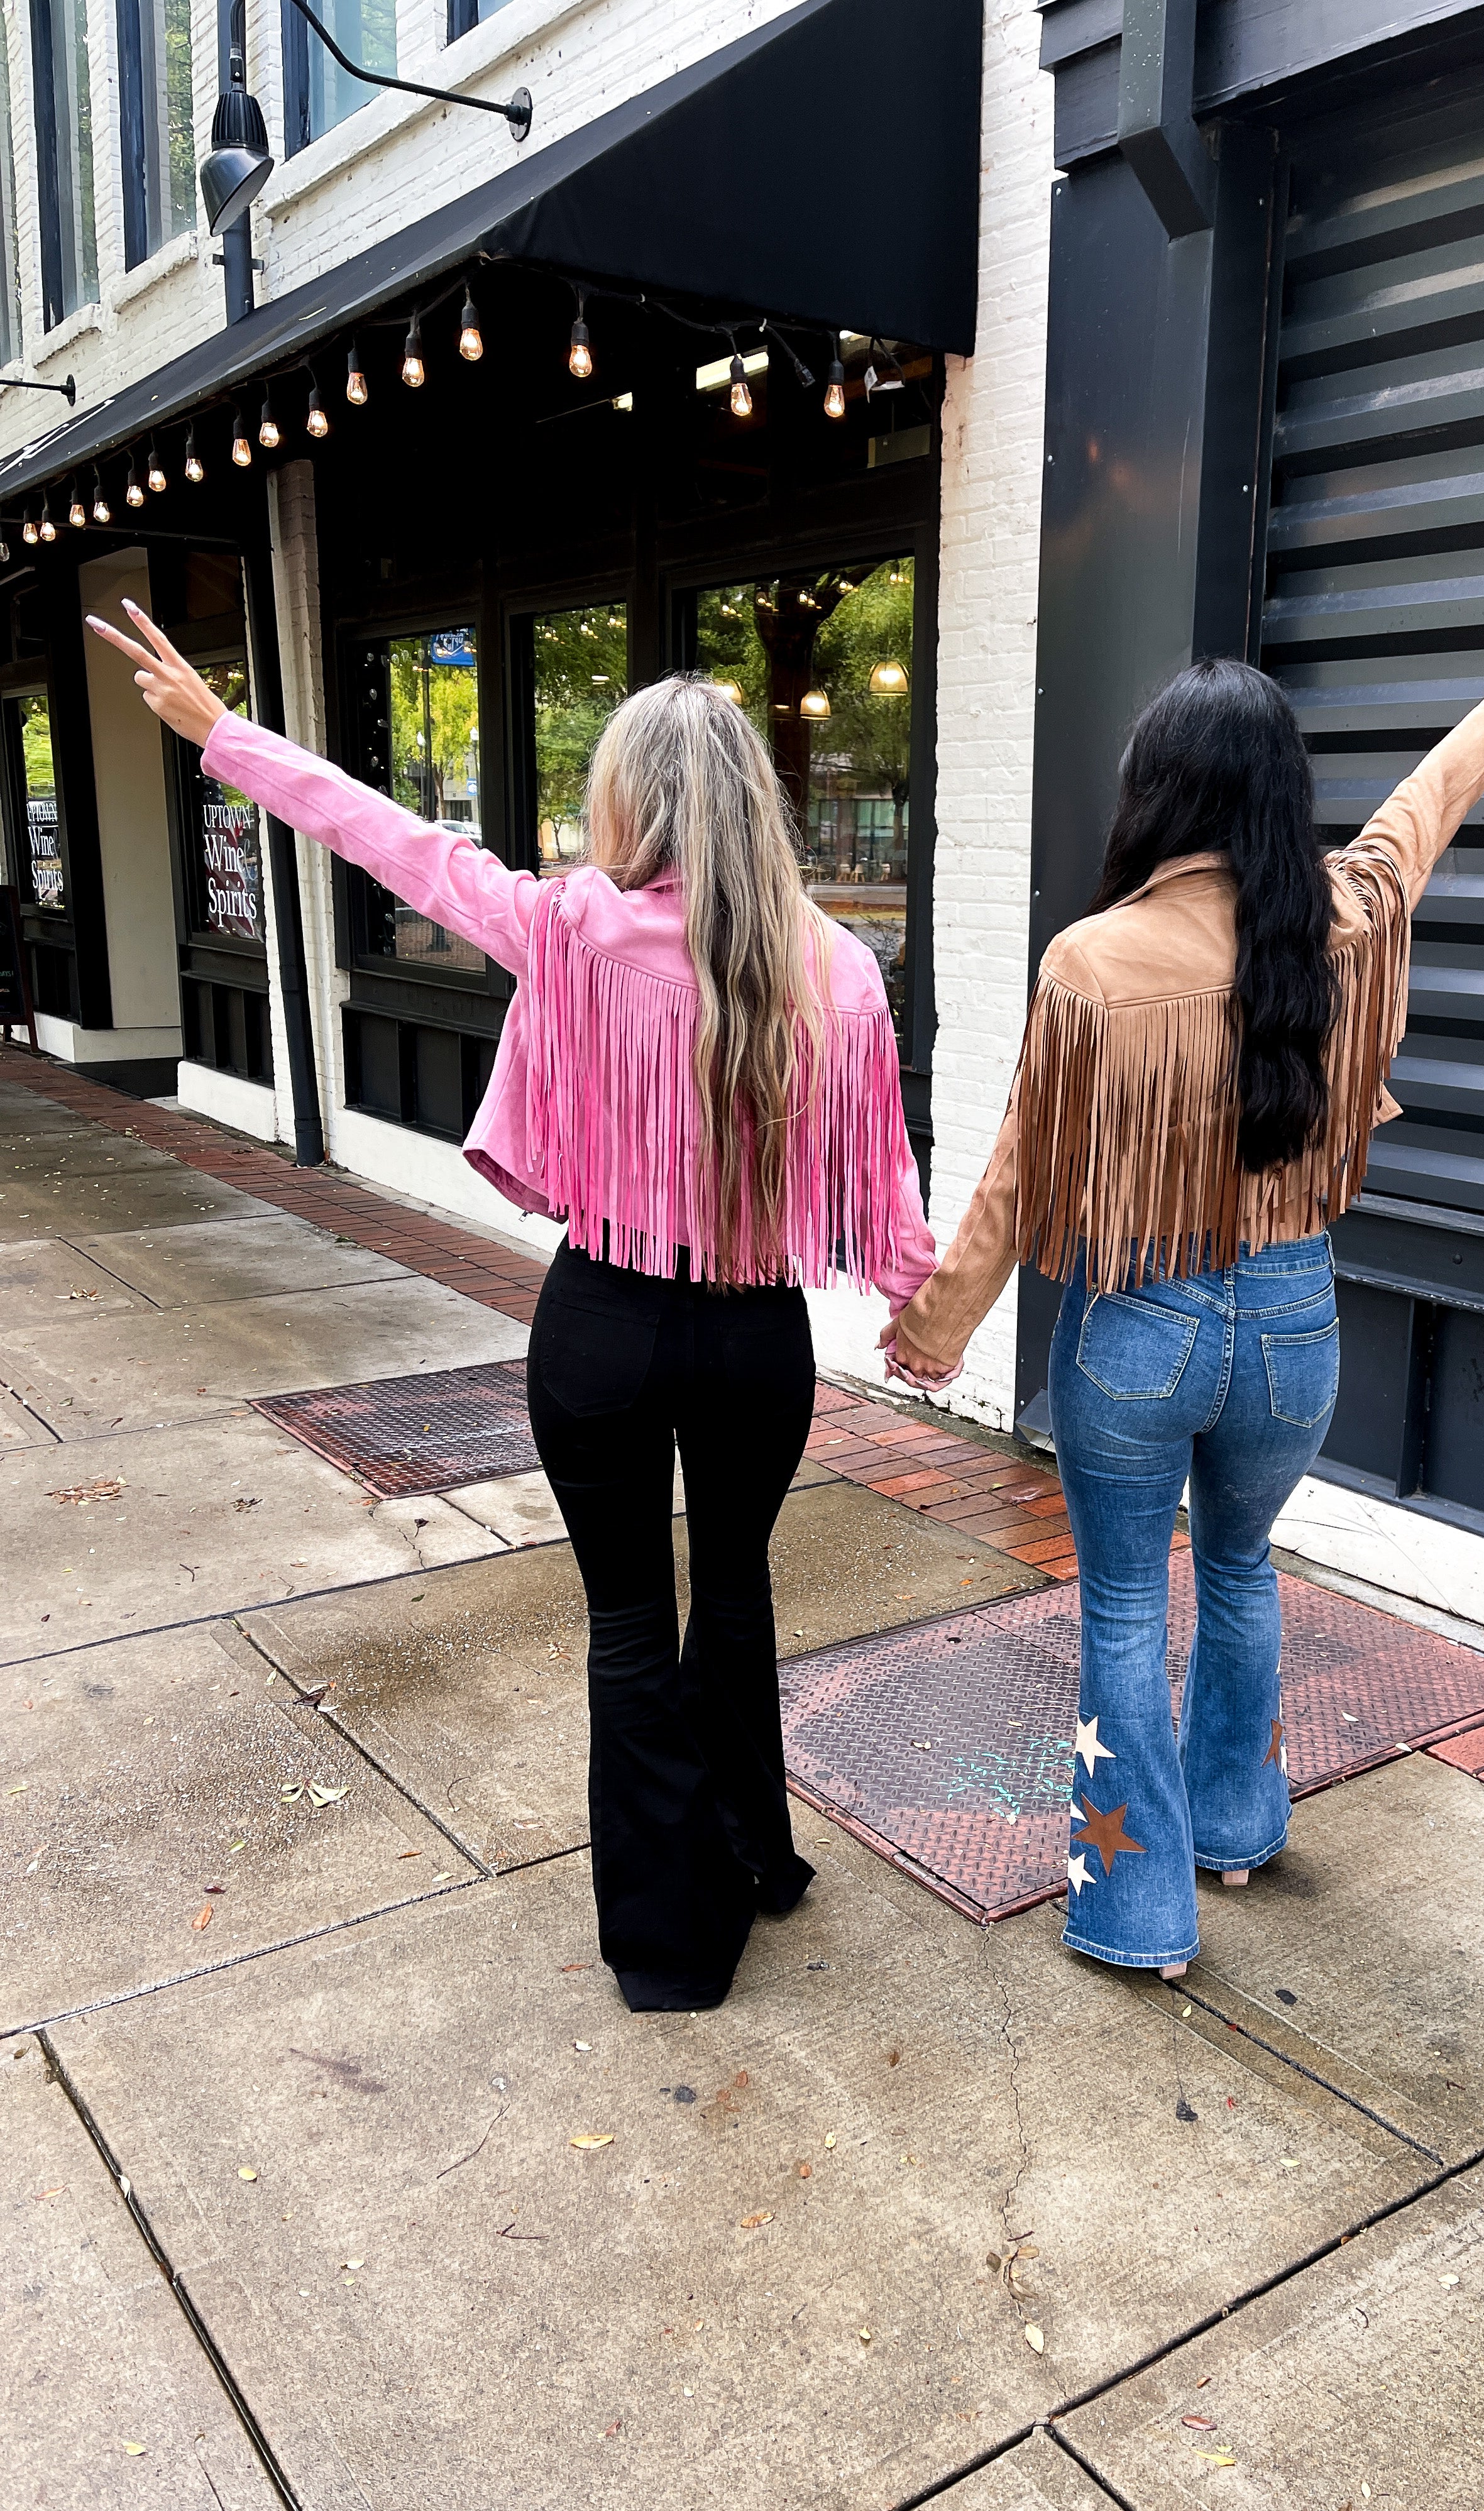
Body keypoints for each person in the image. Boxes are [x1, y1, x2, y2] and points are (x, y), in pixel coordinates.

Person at [90, 602, 935, 2013]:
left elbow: (398, 846)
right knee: (733, 1592)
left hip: (601, 1324)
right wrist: (918, 1309)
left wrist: (221, 736)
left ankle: (669, 1949)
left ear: (633, 802)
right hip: (751, 1341)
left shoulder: (571, 928)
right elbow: (885, 1186)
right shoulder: (840, 972)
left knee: (626, 1623)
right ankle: (753, 1856)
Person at [881, 593, 1484, 1982]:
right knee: (1239, 1567)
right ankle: (1238, 1827)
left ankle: (1136, 1912)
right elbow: (1429, 803)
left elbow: (1016, 1174)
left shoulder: (1092, 963)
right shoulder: (1345, 922)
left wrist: (937, 1328)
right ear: (1283, 793)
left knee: (1121, 1610)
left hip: (1142, 1333)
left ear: (1158, 793)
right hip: (1299, 1328)